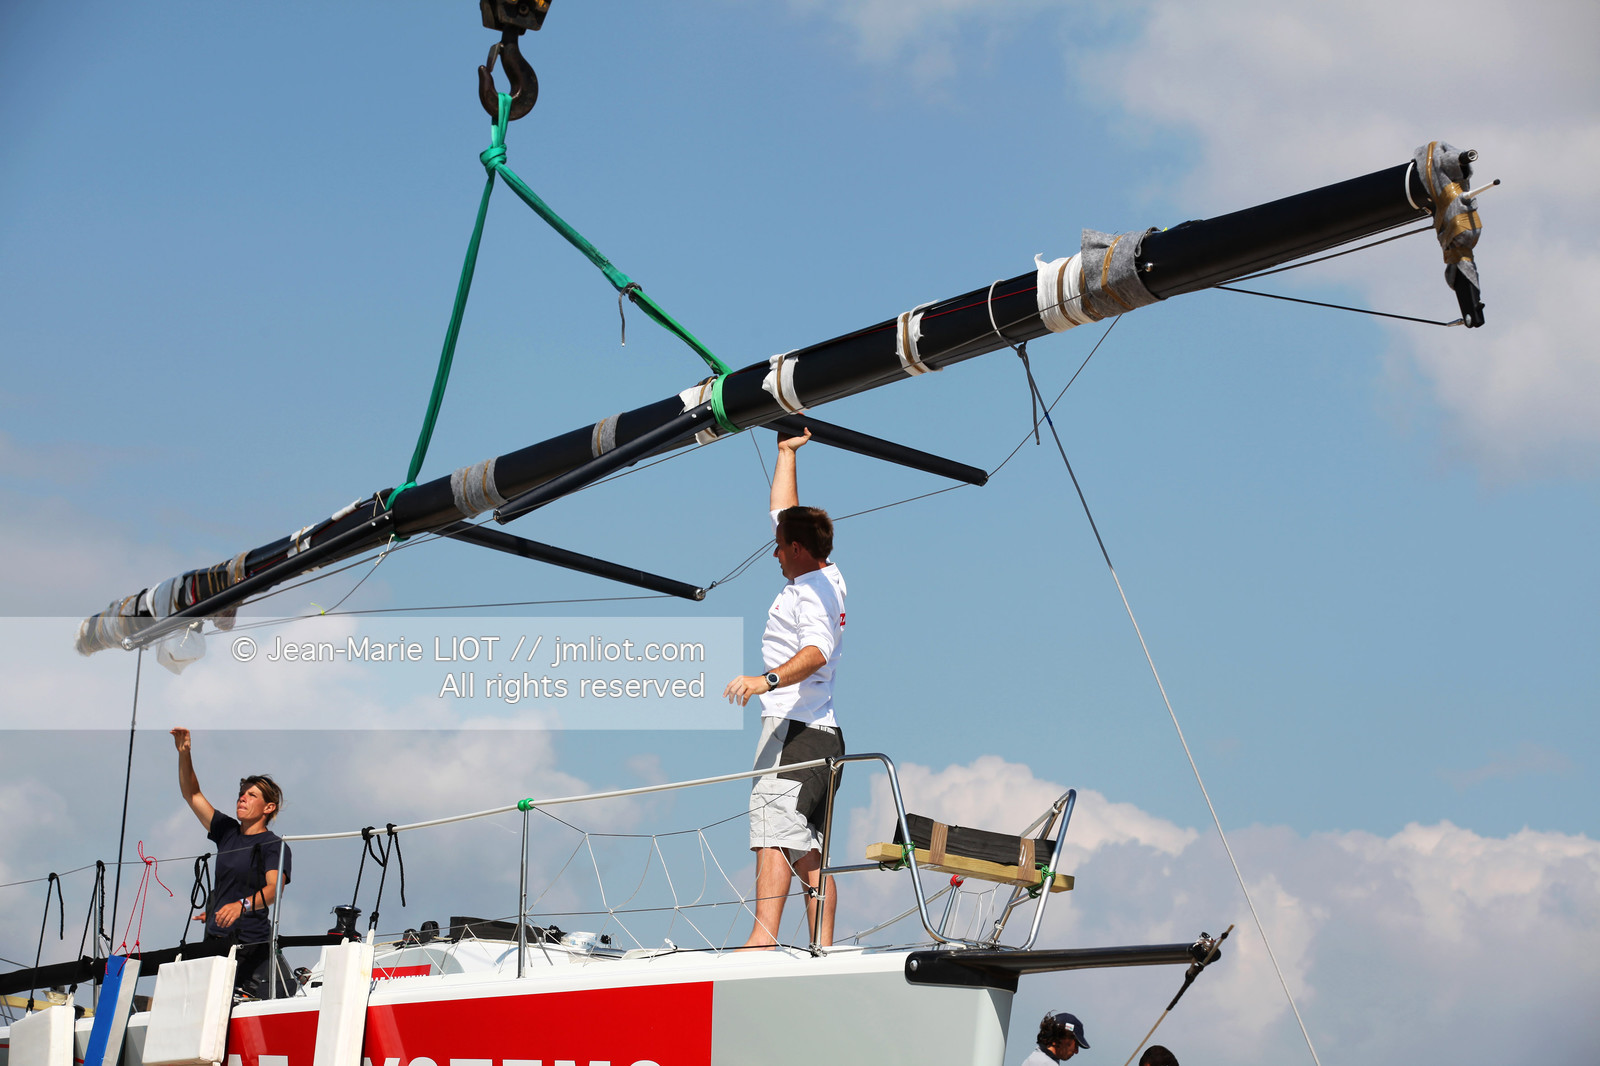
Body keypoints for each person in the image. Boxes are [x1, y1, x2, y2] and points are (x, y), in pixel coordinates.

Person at [723, 428, 847, 949]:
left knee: (772, 830)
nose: (773, 554)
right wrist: (785, 454)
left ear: (798, 549)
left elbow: (818, 651)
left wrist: (764, 680)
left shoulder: (811, 595)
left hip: (796, 730)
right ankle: (823, 945)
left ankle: (763, 938)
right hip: (822, 734)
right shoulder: (824, 573)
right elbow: (784, 512)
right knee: (806, 851)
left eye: (779, 548)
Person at [171, 727, 293, 997]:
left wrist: (240, 906)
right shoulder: (227, 832)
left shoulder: (273, 845)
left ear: (268, 808)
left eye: (251, 795)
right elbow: (192, 794)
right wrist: (184, 753)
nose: (242, 797)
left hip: (251, 947)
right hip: (216, 942)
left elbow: (275, 890)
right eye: (241, 792)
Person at [1022, 1011, 1090, 1064]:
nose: (1076, 1051)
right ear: (1063, 1035)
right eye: (1076, 1045)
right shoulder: (1045, 1063)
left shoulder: (1035, 1058)